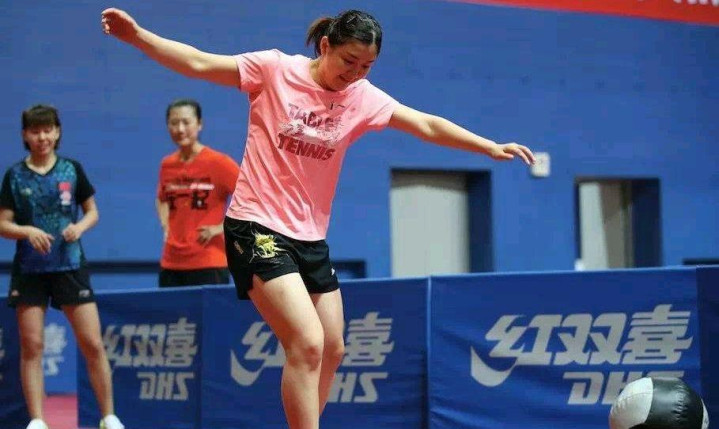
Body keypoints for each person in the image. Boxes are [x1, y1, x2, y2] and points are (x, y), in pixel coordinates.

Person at [101, 8, 535, 429]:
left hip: (309, 237)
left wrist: (487, 146)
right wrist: (138, 36)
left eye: (366, 66)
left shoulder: (361, 97)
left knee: (333, 348)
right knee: (307, 342)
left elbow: (425, 124)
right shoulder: (274, 70)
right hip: (256, 225)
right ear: (325, 46)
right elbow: (198, 62)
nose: (355, 73)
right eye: (349, 60)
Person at [0, 105, 124, 429]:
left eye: (48, 130)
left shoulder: (72, 170)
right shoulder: (15, 176)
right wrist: (27, 232)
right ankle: (38, 420)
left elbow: (92, 212)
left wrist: (78, 228)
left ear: (57, 132)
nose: (42, 137)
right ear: (25, 135)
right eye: (35, 131)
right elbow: (3, 224)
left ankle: (108, 416)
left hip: (70, 265)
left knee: (92, 343)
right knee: (32, 346)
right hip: (30, 269)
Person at [156, 98, 240, 287]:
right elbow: (161, 199)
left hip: (209, 262)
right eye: (174, 123)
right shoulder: (167, 165)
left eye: (186, 122)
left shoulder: (219, 163)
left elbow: (253, 198)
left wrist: (221, 228)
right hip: (171, 263)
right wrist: (165, 224)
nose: (180, 129)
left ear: (199, 124)